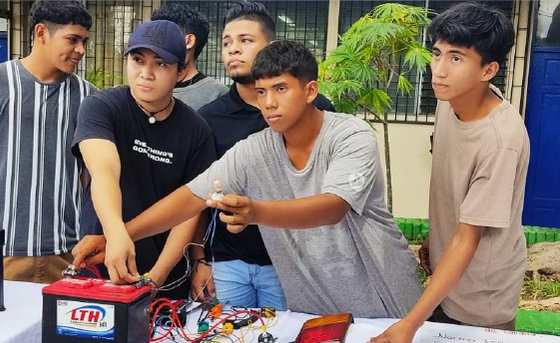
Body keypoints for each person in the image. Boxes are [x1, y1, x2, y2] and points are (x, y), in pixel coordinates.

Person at [74, 40, 422, 317]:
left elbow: (333, 207)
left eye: (281, 89)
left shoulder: (351, 135)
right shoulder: (254, 149)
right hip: (312, 313)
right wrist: (117, 236)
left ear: (311, 90)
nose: (269, 102)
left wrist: (257, 212)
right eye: (261, 92)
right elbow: (190, 198)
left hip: (383, 306)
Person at [366, 2, 529, 343]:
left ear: (489, 70)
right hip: (446, 274)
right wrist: (433, 238)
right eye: (436, 54)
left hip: (480, 300)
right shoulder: (450, 101)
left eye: (456, 58)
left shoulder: (500, 142)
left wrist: (410, 323)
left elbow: (467, 242)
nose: (438, 70)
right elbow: (453, 186)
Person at [192, 1, 335, 309]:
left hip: (292, 263)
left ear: (270, 46)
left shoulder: (315, 109)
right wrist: (200, 259)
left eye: (245, 40)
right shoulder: (210, 118)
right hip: (228, 262)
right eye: (227, 42)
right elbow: (199, 198)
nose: (233, 50)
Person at [71, 20, 217, 300]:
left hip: (164, 278)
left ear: (180, 72)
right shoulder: (102, 107)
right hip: (100, 266)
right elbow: (103, 172)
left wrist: (156, 279)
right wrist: (115, 234)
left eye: (160, 64)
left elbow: (191, 209)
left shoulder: (197, 131)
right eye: (138, 60)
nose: (146, 74)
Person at [0, 0, 96, 283]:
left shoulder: (89, 97)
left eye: (84, 41)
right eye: (72, 39)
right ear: (42, 33)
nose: (80, 50)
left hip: (68, 252)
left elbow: (90, 176)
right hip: (0, 249)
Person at [151, 3, 228, 110]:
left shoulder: (217, 95)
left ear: (188, 41)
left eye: (162, 35)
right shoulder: (144, 85)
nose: (154, 43)